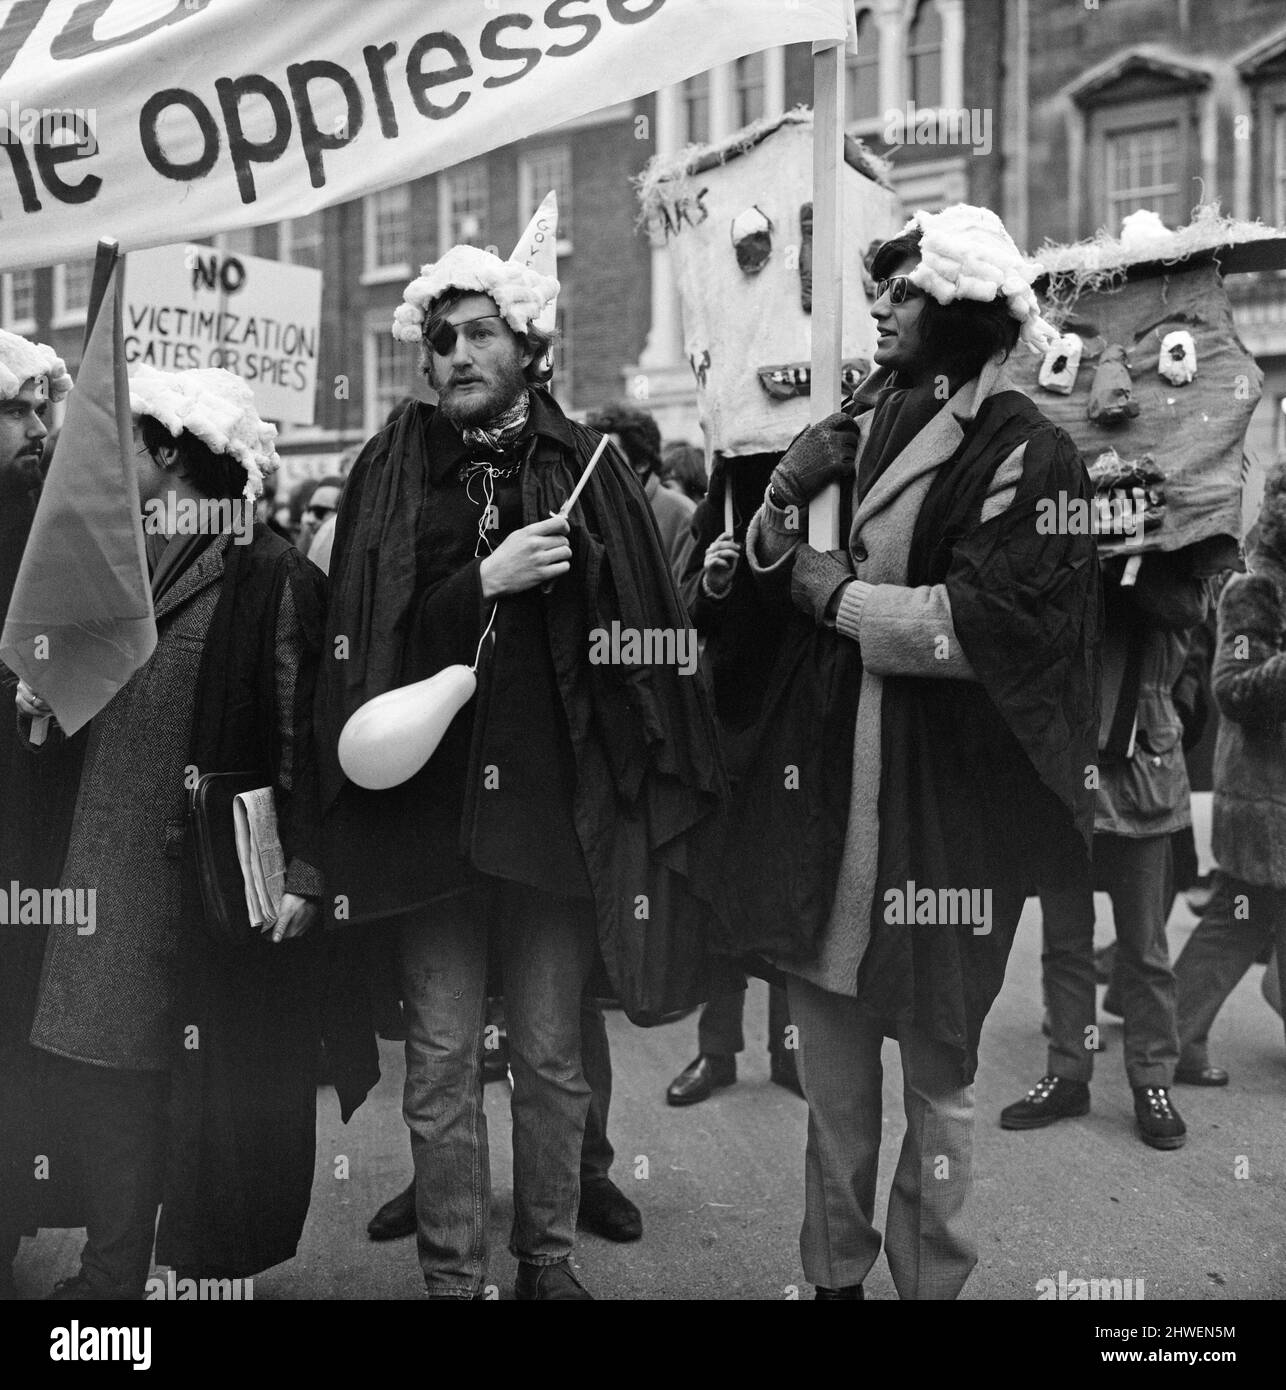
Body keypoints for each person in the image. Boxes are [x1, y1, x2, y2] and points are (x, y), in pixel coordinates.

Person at [315, 245, 724, 1300]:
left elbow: (644, 643)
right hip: (428, 823)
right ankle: (453, 1276)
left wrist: (587, 586)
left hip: (551, 821)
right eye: (438, 337)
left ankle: (546, 1260)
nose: (452, 353)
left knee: (549, 1060)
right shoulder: (390, 467)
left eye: (477, 332)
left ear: (529, 345)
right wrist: (480, 584)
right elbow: (365, 643)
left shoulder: (585, 462)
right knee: (441, 1061)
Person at [739, 205, 1099, 1299]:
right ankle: (834, 1278)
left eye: (903, 292)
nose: (882, 307)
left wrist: (834, 594)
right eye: (882, 288)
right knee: (834, 1095)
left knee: (937, 1083)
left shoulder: (1032, 453)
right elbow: (756, 576)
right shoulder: (860, 425)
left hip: (946, 830)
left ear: (956, 312)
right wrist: (782, 491)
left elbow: (979, 627)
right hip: (834, 811)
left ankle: (928, 1280)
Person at [7, 366, 375, 1300]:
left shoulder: (271, 574)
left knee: (199, 1081)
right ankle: (111, 1272)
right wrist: (38, 708)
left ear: (170, 455)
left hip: (211, 879)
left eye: (127, 443)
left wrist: (305, 868)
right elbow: (66, 709)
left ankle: (195, 1269)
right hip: (107, 862)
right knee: (111, 1079)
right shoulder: (111, 562)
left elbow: (306, 734)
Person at [1003, 543, 1210, 1148]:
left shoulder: (1178, 561)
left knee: (1144, 946)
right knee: (1064, 940)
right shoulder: (1060, 550)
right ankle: (1068, 1072)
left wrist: (1129, 554)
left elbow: (1184, 608)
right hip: (1069, 771)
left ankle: (1152, 1078)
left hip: (1142, 775)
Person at [665, 453, 801, 1106]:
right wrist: (715, 585)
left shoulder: (816, 509)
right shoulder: (708, 520)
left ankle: (791, 1047)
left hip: (792, 724)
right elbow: (679, 619)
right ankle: (716, 1051)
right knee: (719, 893)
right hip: (725, 730)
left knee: (783, 889)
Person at [1171, 459, 1286, 1081]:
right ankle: (1169, 1038)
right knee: (1238, 919)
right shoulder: (1254, 588)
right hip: (1265, 798)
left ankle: (1171, 1034)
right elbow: (1234, 689)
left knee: (1249, 919)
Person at [0, 331, 72, 1300]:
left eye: (38, 409)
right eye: (12, 411)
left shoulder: (47, 525)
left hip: (31, 841)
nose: (33, 429)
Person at [586, 401, 695, 579]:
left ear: (642, 463)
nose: (595, 467)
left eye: (609, 457)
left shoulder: (682, 515)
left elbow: (686, 595)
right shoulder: (589, 512)